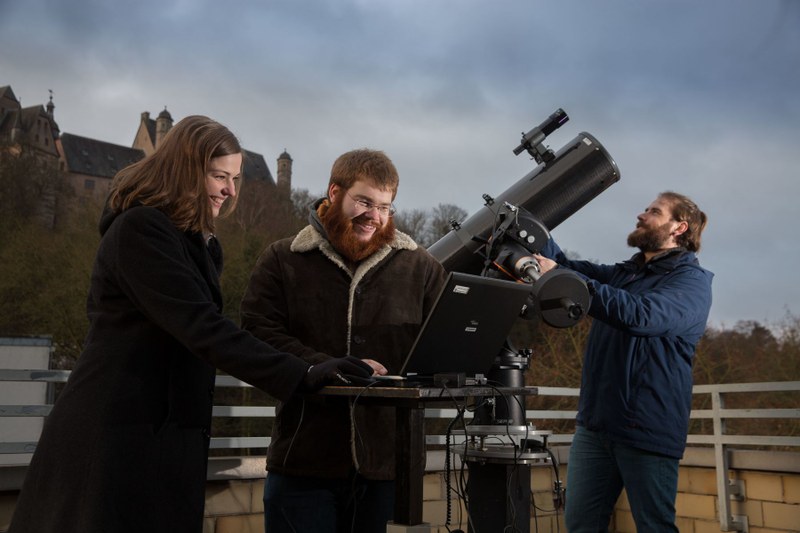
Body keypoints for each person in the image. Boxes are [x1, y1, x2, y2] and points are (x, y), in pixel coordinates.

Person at [9, 116, 371, 533]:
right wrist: (303, 373)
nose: (230, 190)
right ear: (185, 169)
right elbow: (203, 328)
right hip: (115, 434)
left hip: (159, 435)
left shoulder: (191, 240)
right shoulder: (140, 230)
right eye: (220, 176)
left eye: (235, 178)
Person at [240, 148, 448, 532]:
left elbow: (449, 337)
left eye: (386, 206)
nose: (375, 216)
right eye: (364, 201)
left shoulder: (419, 267)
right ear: (334, 193)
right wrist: (319, 366)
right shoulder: (283, 258)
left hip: (389, 467)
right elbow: (256, 332)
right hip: (302, 460)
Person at [534, 191, 713, 532]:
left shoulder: (692, 283)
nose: (641, 215)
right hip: (596, 426)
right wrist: (533, 228)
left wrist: (569, 280)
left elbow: (641, 315)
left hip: (647, 429)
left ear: (679, 227)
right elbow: (567, 267)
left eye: (654, 211)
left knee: (654, 526)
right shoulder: (626, 273)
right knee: (581, 524)